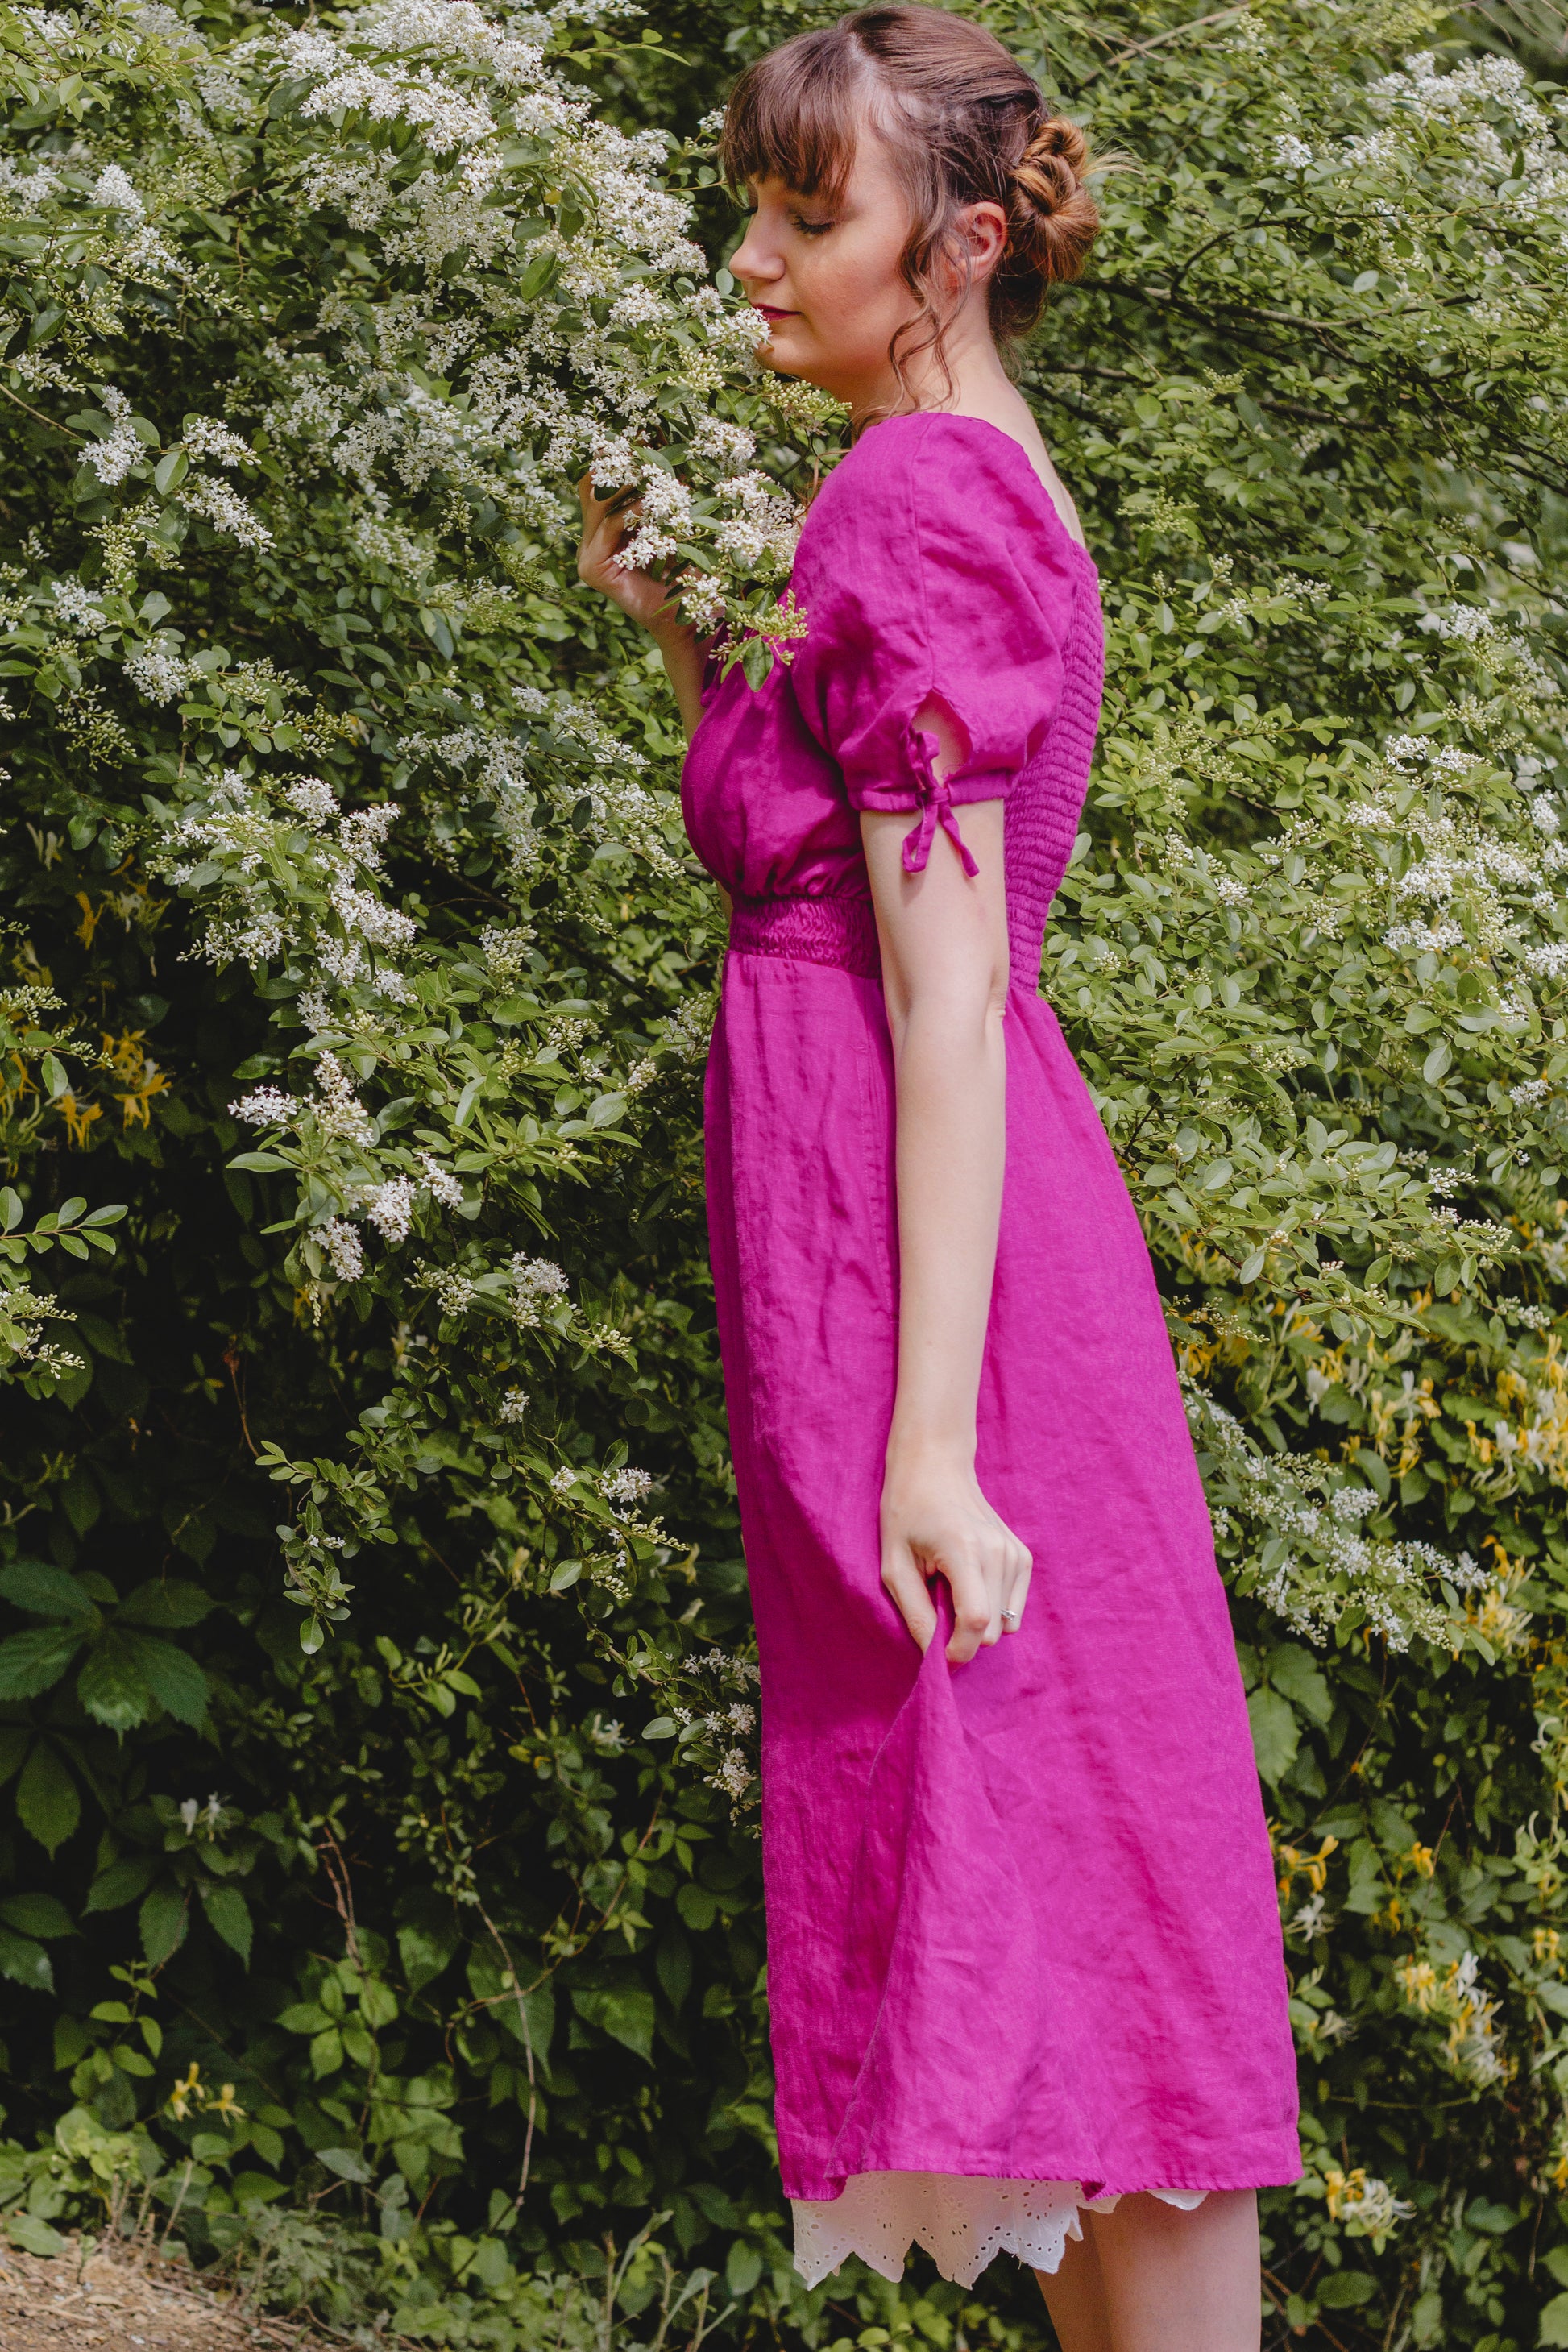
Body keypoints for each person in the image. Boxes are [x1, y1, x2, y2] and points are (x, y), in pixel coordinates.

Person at [577, 10, 1300, 2346]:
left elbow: (942, 973)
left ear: (958, 243)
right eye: (757, 207)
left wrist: (924, 1436)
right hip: (895, 1251)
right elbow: (857, 862)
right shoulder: (935, 476)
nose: (752, 261)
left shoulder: (916, 495)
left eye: (810, 216)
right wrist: (689, 629)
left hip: (933, 1276)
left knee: (1093, 1925)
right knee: (1054, 1950)